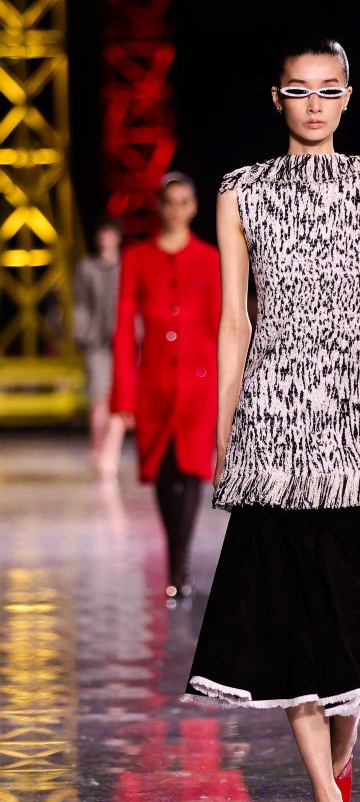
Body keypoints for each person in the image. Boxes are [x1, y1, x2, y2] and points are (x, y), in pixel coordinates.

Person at [180, 36, 360, 802]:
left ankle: (340, 769)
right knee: (290, 620)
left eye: (328, 89)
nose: (314, 104)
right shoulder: (240, 191)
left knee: (352, 614)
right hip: (271, 419)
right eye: (298, 90)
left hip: (354, 421)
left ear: (347, 97)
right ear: (277, 98)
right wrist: (225, 432)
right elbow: (235, 321)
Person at [109, 172, 221, 602]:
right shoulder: (137, 258)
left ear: (194, 207)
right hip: (154, 382)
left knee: (191, 469)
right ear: (159, 206)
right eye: (169, 202)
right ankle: (176, 557)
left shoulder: (209, 259)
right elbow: (123, 328)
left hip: (199, 383)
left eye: (183, 202)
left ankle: (179, 562)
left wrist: (229, 388)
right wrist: (123, 392)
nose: (176, 210)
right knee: (162, 468)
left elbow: (220, 325)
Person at [72, 214, 125, 476]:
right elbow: (79, 302)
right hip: (96, 342)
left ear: (117, 237)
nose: (106, 239)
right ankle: (98, 449)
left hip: (125, 341)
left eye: (110, 233)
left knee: (121, 398)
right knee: (98, 398)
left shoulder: (127, 266)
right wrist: (82, 333)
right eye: (102, 234)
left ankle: (109, 451)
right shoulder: (86, 267)